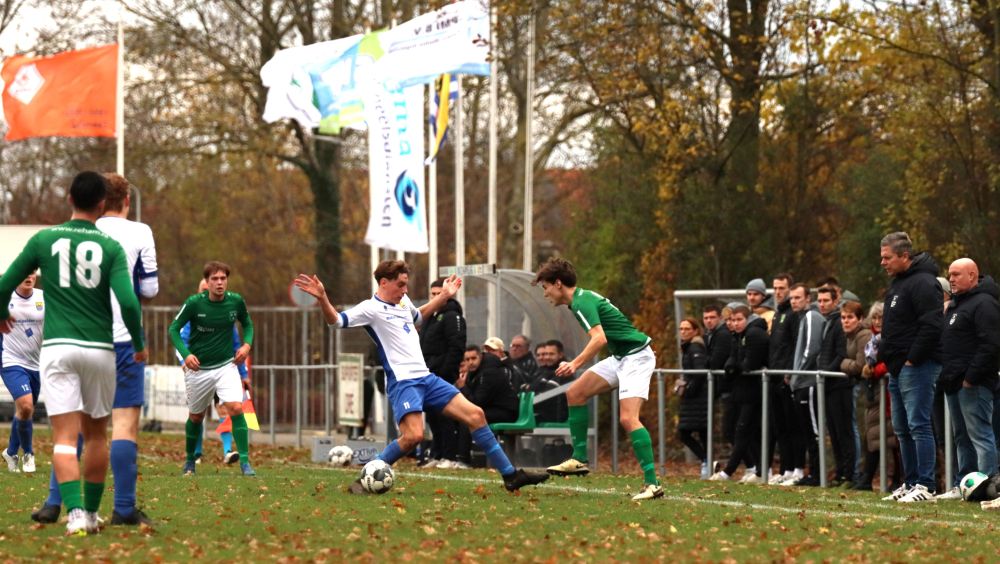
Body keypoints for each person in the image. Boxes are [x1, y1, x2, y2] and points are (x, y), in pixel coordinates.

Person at [293, 261, 548, 493]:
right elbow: (336, 321)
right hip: (404, 383)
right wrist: (323, 298)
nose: (405, 290)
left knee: (476, 415)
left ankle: (511, 476)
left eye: (406, 284)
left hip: (428, 378)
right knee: (413, 436)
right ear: (384, 283)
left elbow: (418, 316)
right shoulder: (370, 309)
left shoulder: (403, 304)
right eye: (400, 284)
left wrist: (445, 297)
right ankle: (366, 478)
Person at [0, 171, 146, 537]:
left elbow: (4, 283)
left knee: (66, 437)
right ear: (102, 205)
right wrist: (140, 342)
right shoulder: (110, 247)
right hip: (100, 349)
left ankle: (76, 513)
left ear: (69, 199)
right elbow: (128, 301)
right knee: (97, 435)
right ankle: (95, 515)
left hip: (58, 349)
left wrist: (2, 311)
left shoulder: (45, 239)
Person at [533, 258, 662, 501]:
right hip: (621, 356)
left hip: (636, 357)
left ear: (558, 284)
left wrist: (574, 363)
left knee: (628, 418)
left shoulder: (580, 302)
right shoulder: (580, 299)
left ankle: (652, 484)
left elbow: (599, 338)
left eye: (546, 287)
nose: (546, 293)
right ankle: (579, 459)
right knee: (575, 393)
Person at [93, 172, 158, 526]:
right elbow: (149, 289)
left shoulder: (81, 232)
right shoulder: (140, 232)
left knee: (80, 425)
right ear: (127, 201)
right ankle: (123, 507)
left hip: (85, 336)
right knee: (124, 425)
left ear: (98, 202)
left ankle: (63, 503)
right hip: (125, 340)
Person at [169, 261, 256, 477]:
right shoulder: (194, 304)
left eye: (223, 278)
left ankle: (245, 462)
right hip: (199, 370)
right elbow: (173, 330)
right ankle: (190, 460)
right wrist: (186, 354)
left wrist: (246, 345)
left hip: (226, 366)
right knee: (196, 417)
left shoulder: (235, 301)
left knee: (235, 408)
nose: (219, 282)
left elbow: (248, 324)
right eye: (214, 279)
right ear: (207, 282)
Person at [878, 232, 944, 503]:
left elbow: (931, 325)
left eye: (887, 257)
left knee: (919, 425)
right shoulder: (898, 284)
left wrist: (912, 359)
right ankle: (911, 480)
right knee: (903, 429)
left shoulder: (924, 283)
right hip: (898, 367)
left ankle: (926, 485)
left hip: (917, 366)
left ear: (904, 256)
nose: (882, 262)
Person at [937, 258, 1000, 500]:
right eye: (949, 274)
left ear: (972, 276)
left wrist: (971, 377)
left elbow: (990, 344)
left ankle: (989, 486)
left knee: (980, 434)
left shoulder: (984, 303)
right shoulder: (956, 304)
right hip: (953, 382)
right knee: (961, 437)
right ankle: (965, 485)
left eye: (956, 274)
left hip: (972, 383)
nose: (951, 279)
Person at [709, 305, 768, 483]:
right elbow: (732, 361)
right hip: (740, 390)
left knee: (744, 431)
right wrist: (732, 367)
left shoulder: (754, 334)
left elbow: (748, 364)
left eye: (738, 320)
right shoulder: (738, 336)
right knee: (736, 430)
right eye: (732, 320)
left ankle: (729, 472)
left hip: (753, 391)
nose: (734, 323)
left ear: (747, 319)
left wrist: (735, 367)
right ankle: (757, 468)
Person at [418, 278, 467, 469]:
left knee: (445, 416)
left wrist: (446, 373)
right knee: (432, 415)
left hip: (441, 375)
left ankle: (449, 456)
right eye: (433, 294)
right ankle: (437, 454)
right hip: (427, 373)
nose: (436, 297)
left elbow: (456, 348)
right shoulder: (430, 316)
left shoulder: (452, 316)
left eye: (440, 293)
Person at [1, 273, 43, 474]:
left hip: (36, 364)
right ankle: (28, 453)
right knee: (26, 405)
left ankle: (10, 452)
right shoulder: (4, 297)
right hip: (11, 361)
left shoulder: (44, 298)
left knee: (24, 411)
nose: (29, 275)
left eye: (32, 271)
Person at [785, 283, 823, 486]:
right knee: (806, 430)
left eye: (798, 297)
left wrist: (796, 375)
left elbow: (811, 349)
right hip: (801, 381)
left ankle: (817, 474)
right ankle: (813, 473)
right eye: (791, 298)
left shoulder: (811, 317)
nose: (793, 301)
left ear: (808, 298)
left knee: (813, 430)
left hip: (807, 382)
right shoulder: (801, 318)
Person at [816, 287, 853, 487]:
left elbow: (841, 353)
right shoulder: (827, 322)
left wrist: (826, 373)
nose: (822, 304)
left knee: (843, 431)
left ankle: (848, 474)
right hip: (828, 384)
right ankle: (840, 473)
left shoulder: (839, 322)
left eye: (825, 300)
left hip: (838, 384)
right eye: (819, 300)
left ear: (835, 300)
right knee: (834, 432)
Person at [767, 273, 797, 484]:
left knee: (792, 424)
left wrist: (790, 372)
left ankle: (796, 468)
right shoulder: (777, 314)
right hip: (773, 377)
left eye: (782, 288)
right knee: (780, 426)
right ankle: (786, 469)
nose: (778, 292)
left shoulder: (793, 314)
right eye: (775, 288)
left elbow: (794, 345)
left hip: (787, 378)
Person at [676, 318, 709, 479]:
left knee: (684, 432)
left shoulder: (696, 346)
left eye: (687, 329)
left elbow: (699, 372)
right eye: (681, 329)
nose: (683, 332)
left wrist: (688, 389)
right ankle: (707, 462)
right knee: (702, 432)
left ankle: (706, 461)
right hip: (694, 397)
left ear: (695, 331)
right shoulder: (688, 346)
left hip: (697, 397)